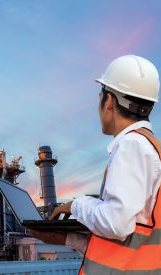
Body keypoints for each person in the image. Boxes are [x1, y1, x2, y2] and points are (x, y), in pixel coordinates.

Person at [46, 55, 160, 274]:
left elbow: (116, 224)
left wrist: (76, 205)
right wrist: (69, 238)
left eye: (100, 97)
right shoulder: (150, 146)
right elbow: (132, 241)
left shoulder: (131, 145)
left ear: (109, 101)